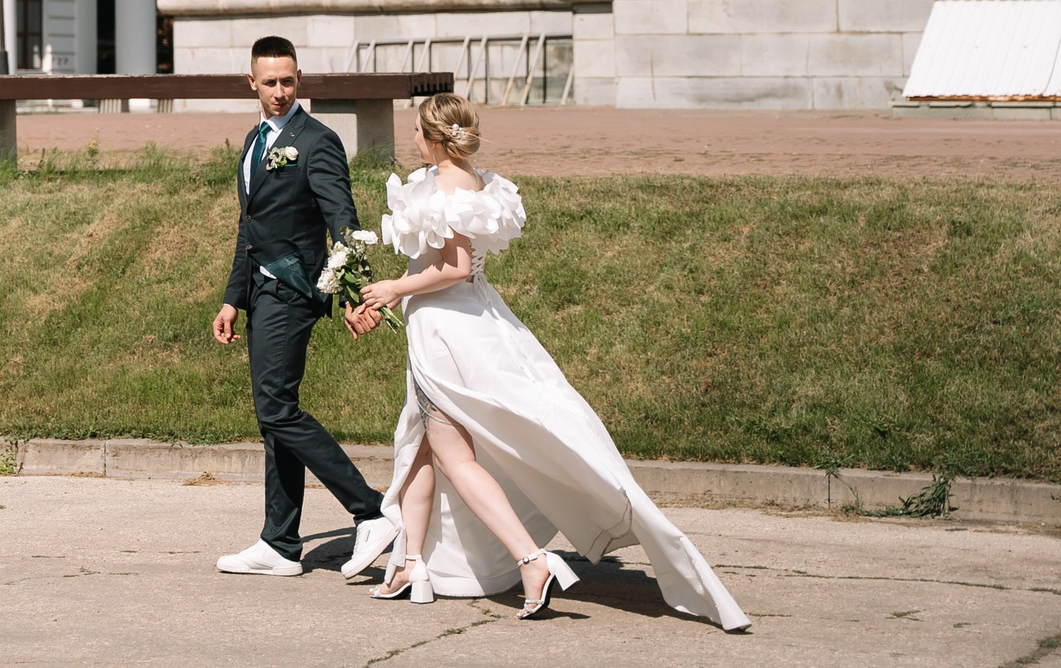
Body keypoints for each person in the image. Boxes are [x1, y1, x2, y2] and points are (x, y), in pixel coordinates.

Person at [358, 94, 750, 630]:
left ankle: (531, 560)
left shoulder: (445, 187)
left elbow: (457, 266)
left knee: (452, 456)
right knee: (420, 445)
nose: (414, 140)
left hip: (447, 332)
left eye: (417, 132)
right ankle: (411, 564)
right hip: (471, 319)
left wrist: (393, 289)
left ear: (433, 138)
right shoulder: (475, 180)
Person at [212, 35, 399, 582]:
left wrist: (353, 292)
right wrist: (232, 298)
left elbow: (343, 221)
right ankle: (280, 543)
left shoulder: (317, 141)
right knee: (274, 415)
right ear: (251, 82)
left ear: (300, 81)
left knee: (275, 408)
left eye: (288, 81)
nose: (279, 91)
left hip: (294, 291)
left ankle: (371, 510)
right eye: (269, 82)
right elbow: (249, 228)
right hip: (259, 291)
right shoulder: (254, 140)